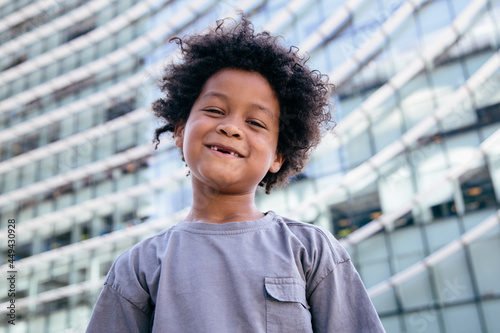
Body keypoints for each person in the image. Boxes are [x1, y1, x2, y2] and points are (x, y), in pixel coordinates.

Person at [86, 16, 385, 333]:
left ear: (278, 157)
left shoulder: (311, 250)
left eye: (255, 123)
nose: (230, 127)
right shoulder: (137, 268)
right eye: (215, 110)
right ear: (180, 130)